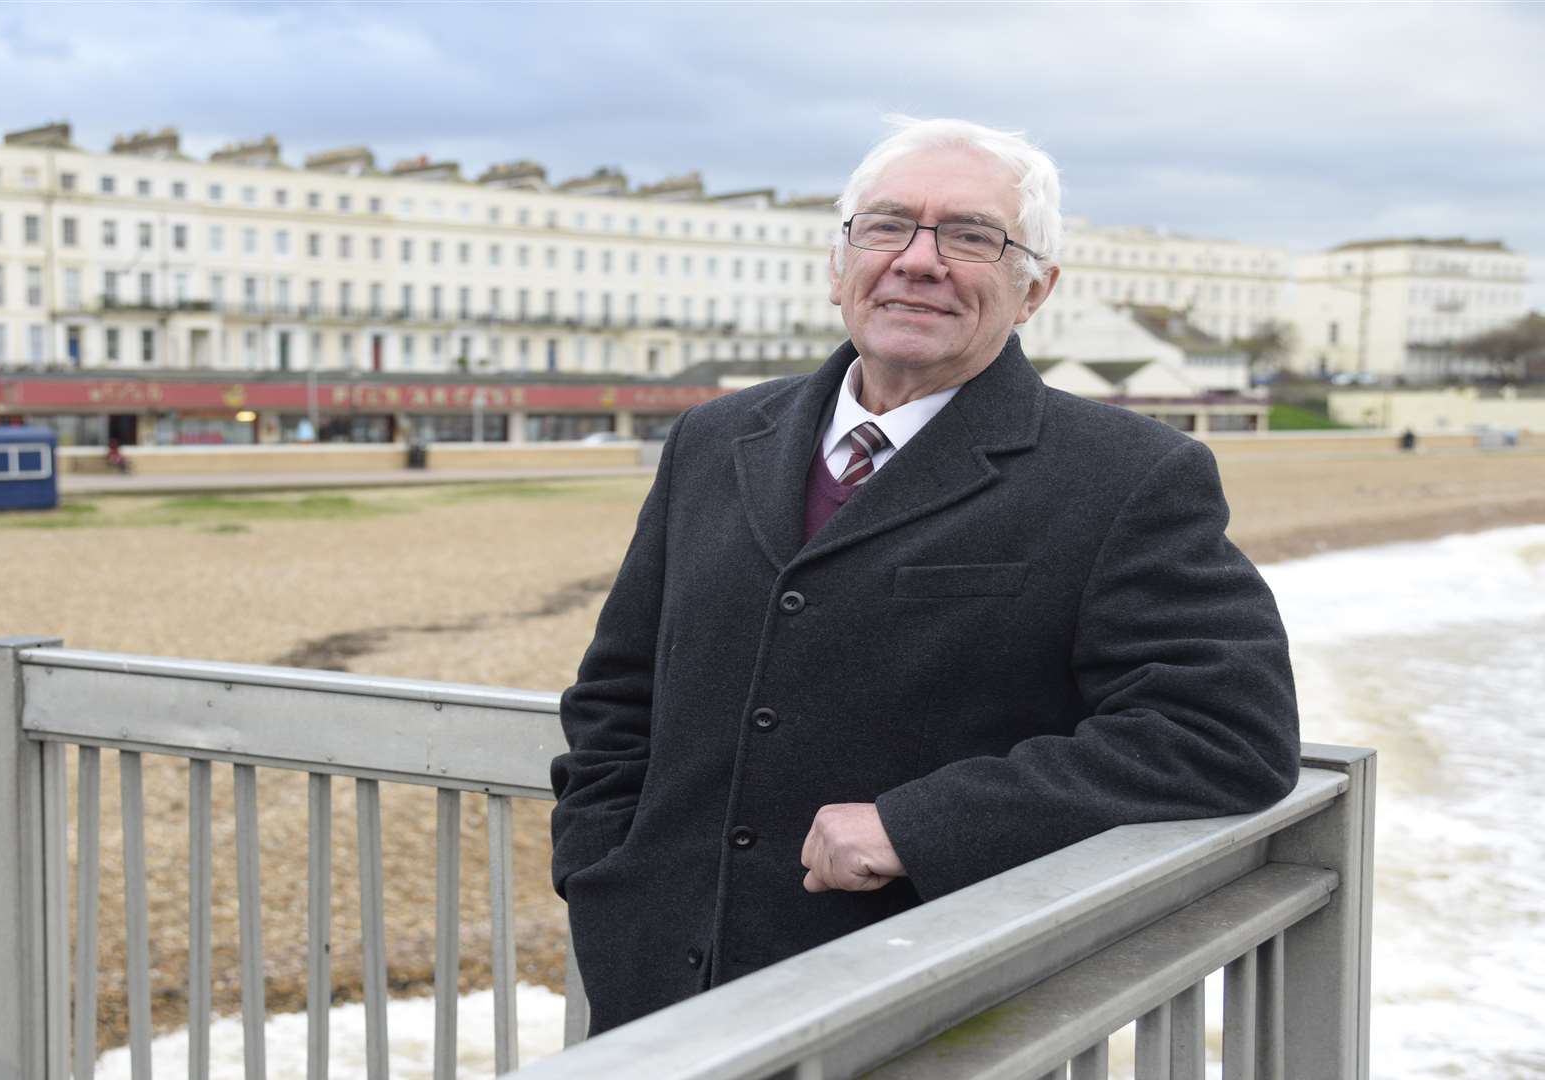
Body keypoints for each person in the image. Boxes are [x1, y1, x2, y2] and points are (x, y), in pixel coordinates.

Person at [549, 117, 1300, 1035]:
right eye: (886, 225)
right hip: (654, 990)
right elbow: (618, 692)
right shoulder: (714, 439)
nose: (918, 259)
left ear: (1034, 291)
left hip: (916, 1000)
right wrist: (602, 872)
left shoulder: (1128, 475)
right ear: (839, 264)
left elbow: (1224, 735)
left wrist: (919, 825)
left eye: (971, 236)